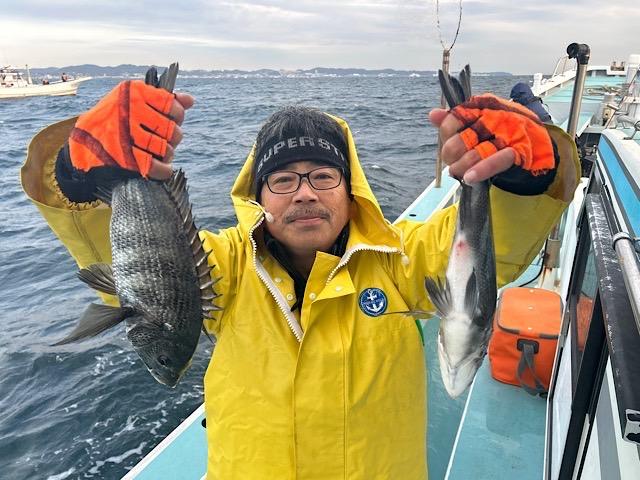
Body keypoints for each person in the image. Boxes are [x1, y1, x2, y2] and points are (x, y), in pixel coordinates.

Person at [21, 79, 579, 479]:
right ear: (258, 197)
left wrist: (528, 176)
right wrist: (76, 174)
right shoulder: (220, 266)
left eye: (323, 176)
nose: (305, 192)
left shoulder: (402, 258)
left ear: (350, 189)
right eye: (283, 180)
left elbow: (493, 249)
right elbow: (130, 266)